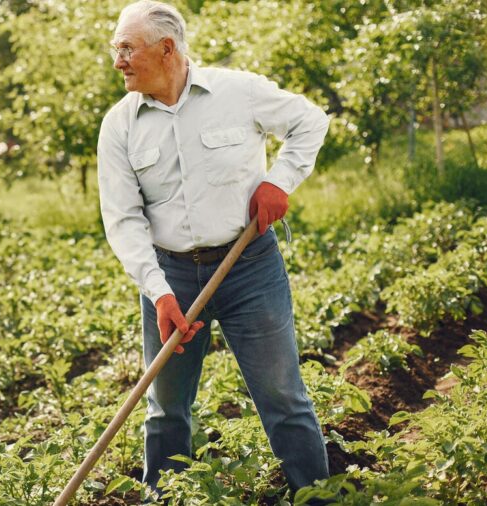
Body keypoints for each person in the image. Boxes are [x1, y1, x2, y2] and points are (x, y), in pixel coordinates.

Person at [96, 0, 331, 500]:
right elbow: (123, 219)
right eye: (115, 48)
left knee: (283, 397)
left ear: (166, 49)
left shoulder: (238, 91)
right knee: (165, 405)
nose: (117, 60)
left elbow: (311, 121)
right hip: (171, 276)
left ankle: (317, 495)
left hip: (248, 268)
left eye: (126, 48)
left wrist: (280, 181)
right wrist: (159, 295)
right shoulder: (120, 124)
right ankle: (164, 495)